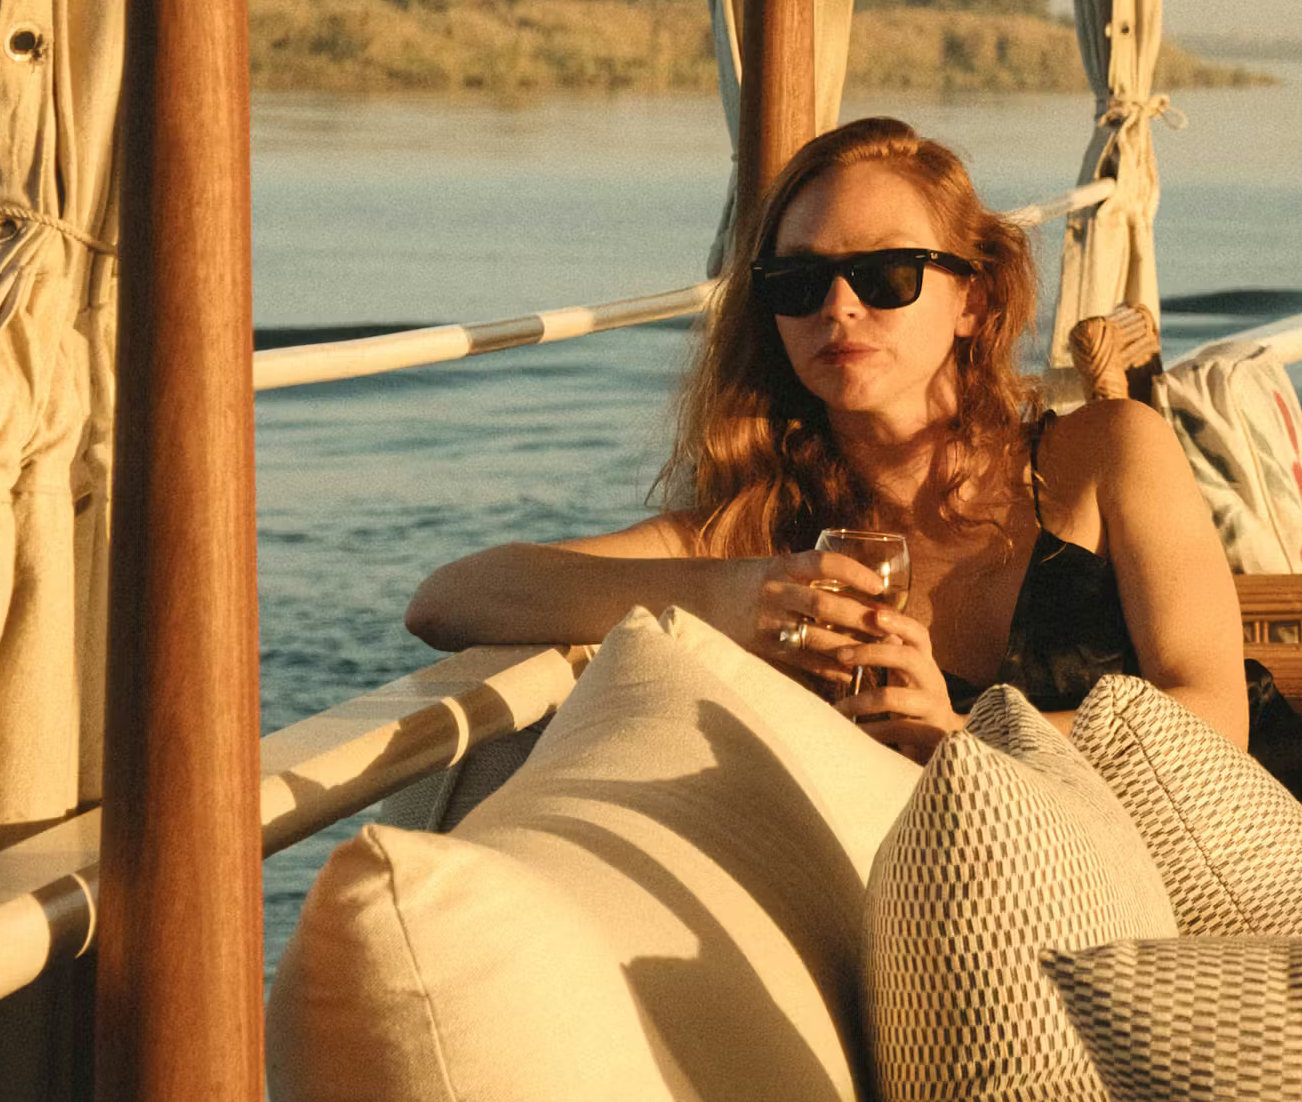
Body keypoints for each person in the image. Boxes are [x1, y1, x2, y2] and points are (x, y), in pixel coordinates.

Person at [409, 111, 1245, 741]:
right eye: (798, 282)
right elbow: (450, 600)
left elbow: (1215, 718)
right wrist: (736, 596)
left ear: (974, 298)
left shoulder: (1103, 451)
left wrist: (964, 739)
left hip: (1246, 846)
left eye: (886, 274)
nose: (839, 307)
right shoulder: (757, 537)